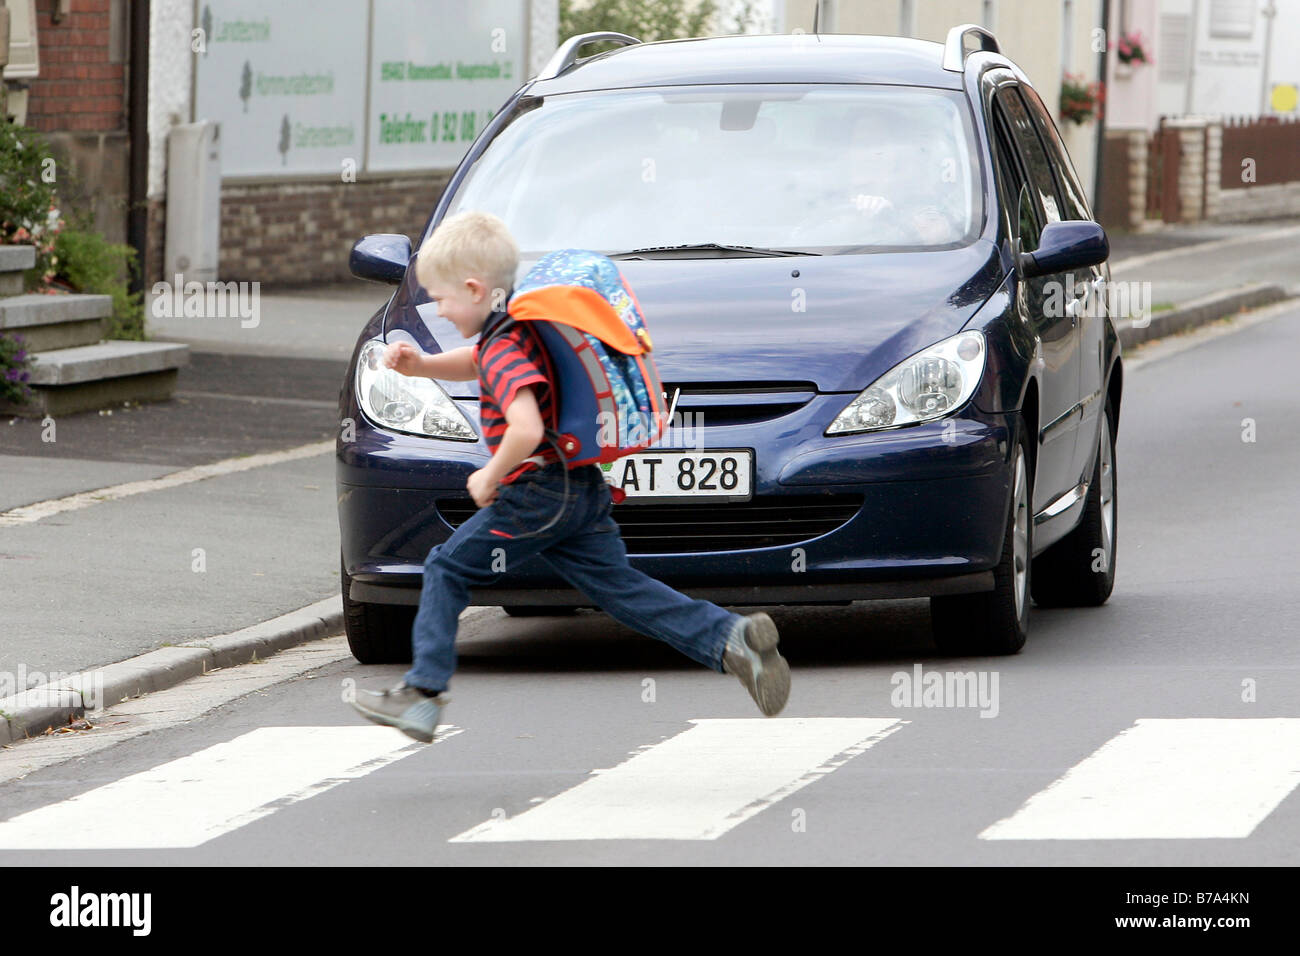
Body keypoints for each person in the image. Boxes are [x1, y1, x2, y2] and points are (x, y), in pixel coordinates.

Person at [348, 210, 791, 743]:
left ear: (472, 289)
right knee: (621, 589)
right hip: (579, 486)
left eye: (441, 299)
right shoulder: (515, 331)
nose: (438, 309)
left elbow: (526, 427)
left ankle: (423, 695)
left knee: (445, 567)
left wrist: (490, 473)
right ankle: (732, 640)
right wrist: (422, 365)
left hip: (537, 493)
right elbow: (478, 360)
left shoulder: (504, 347)